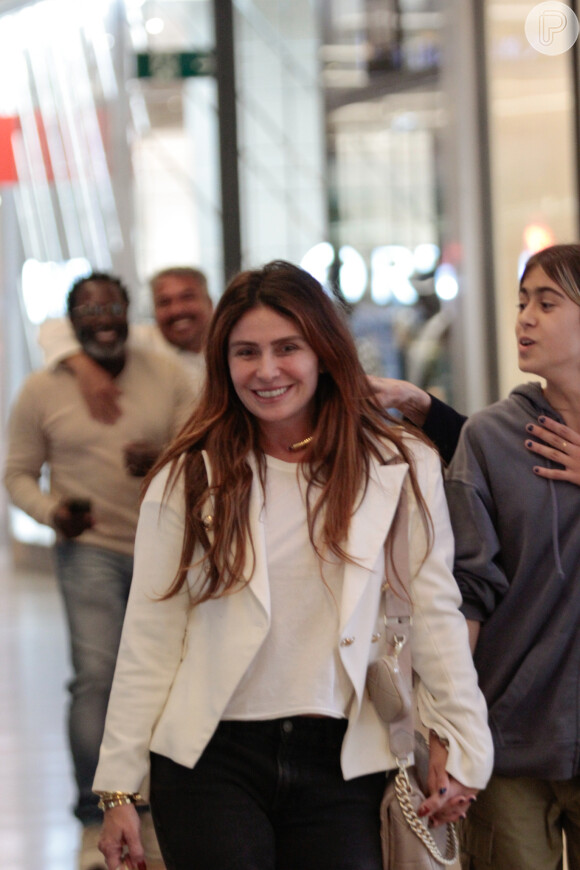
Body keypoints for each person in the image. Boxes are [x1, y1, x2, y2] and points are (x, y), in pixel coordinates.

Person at [92, 260, 493, 870]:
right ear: (223, 364)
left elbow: (434, 609)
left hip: (343, 758)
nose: (267, 370)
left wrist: (462, 741)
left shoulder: (399, 462)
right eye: (245, 352)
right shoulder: (189, 475)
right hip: (209, 759)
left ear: (325, 352)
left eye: (288, 348)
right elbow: (149, 635)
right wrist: (119, 790)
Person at [3, 272, 196, 870]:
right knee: (97, 674)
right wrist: (51, 512)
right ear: (72, 322)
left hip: (168, 547)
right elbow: (16, 473)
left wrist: (162, 456)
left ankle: (161, 793)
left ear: (127, 311)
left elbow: (203, 447)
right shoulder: (41, 389)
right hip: (89, 550)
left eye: (113, 305)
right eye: (89, 310)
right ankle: (98, 805)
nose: (103, 318)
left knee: (166, 674)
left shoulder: (167, 374)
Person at [442, 243, 580, 869]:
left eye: (546, 302)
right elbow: (467, 589)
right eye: (522, 301)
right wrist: (448, 723)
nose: (524, 317)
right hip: (508, 733)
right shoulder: (492, 436)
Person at [38, 266, 213, 423]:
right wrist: (84, 367)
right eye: (164, 302)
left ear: (209, 302)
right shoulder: (139, 339)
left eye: (187, 297)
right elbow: (52, 329)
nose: (177, 310)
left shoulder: (230, 345)